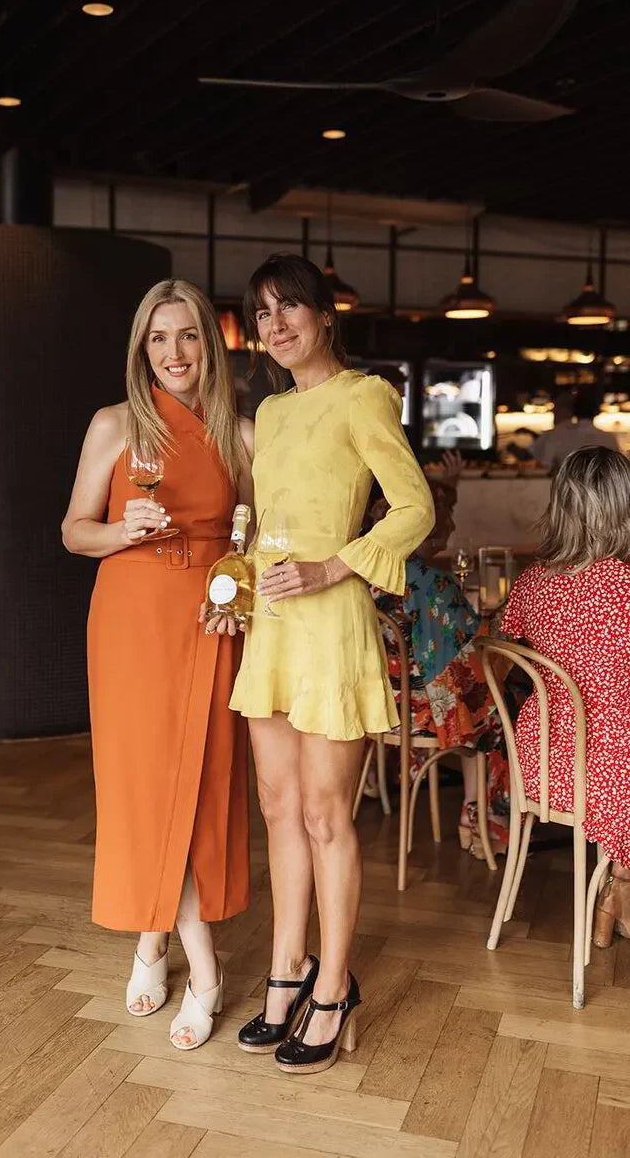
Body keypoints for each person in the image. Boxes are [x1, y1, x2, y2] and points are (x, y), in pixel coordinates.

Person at [229, 253, 434, 1074]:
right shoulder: (271, 413)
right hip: (271, 626)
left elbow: (415, 505)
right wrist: (233, 583)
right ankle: (286, 972)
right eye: (263, 315)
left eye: (290, 310)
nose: (276, 328)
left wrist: (333, 565)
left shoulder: (364, 396)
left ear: (323, 316)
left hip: (331, 624)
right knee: (277, 811)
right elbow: (261, 516)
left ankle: (334, 984)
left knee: (323, 817)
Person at [61, 279, 254, 1050]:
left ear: (211, 343)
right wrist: (121, 531)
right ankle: (202, 968)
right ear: (141, 349)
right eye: (157, 339)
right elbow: (74, 532)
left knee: (201, 787)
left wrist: (238, 592)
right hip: (130, 622)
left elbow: (254, 538)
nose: (173, 353)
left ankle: (151, 944)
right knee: (141, 787)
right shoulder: (113, 425)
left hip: (206, 620)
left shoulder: (241, 433)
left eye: (188, 337)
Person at [500, 446, 630, 945]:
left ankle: (616, 892)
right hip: (608, 769)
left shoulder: (532, 582)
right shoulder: (625, 584)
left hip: (543, 761)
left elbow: (505, 648)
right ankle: (618, 887)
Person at [370, 482, 510, 859]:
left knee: (478, 698)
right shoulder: (432, 583)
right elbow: (468, 648)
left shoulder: (367, 574)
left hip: (379, 703)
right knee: (497, 711)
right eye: (443, 516)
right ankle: (477, 818)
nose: (448, 525)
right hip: (418, 710)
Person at [534, 387, 619, 468]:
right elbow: (618, 470)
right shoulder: (609, 439)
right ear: (597, 412)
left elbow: (545, 464)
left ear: (573, 411)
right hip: (601, 483)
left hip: (567, 482)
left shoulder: (558, 435)